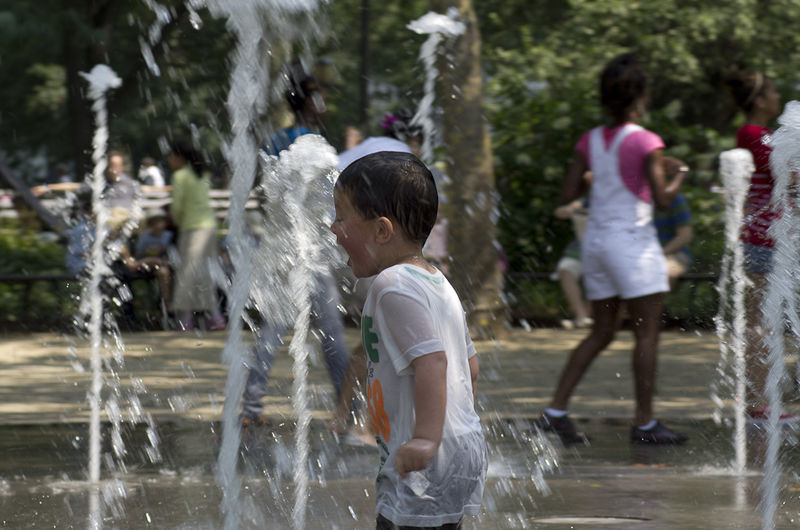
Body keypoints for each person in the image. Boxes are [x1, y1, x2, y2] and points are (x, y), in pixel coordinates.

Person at [536, 53, 689, 445]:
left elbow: (568, 193)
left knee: (601, 332)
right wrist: (679, 174)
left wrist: (595, 177)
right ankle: (645, 422)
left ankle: (555, 411)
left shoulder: (589, 140)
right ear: (640, 97)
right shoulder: (646, 140)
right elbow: (664, 201)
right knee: (647, 335)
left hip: (596, 245)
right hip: (633, 245)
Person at [331, 151, 486, 529]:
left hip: (425, 454)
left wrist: (426, 439)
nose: (333, 228)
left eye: (340, 217)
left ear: (382, 231)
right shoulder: (437, 281)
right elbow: (470, 367)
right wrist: (451, 432)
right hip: (459, 447)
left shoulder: (391, 284)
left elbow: (432, 361)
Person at [240, 66, 349, 426]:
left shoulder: (276, 140)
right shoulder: (313, 145)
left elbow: (265, 195)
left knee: (272, 330)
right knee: (332, 332)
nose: (325, 103)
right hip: (308, 254)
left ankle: (251, 407)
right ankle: (347, 409)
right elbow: (330, 202)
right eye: (320, 97)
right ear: (308, 101)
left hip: (281, 250)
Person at [723, 70, 797, 423]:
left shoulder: (764, 134)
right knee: (760, 323)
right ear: (759, 100)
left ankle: (763, 400)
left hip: (773, 240)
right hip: (761, 240)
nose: (778, 96)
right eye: (772, 91)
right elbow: (788, 174)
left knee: (768, 321)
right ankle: (757, 403)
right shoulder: (752, 133)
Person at [167, 140, 226, 332]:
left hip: (192, 229)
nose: (169, 160)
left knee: (187, 273)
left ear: (179, 157)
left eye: (171, 156)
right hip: (209, 228)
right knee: (205, 274)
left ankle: (185, 320)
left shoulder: (180, 176)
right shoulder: (200, 174)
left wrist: (176, 221)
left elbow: (177, 207)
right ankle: (215, 317)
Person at [553, 197, 593, 329]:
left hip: (609, 249)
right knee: (566, 269)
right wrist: (570, 209)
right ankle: (582, 317)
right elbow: (559, 212)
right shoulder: (587, 201)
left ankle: (589, 318)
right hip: (579, 249)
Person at [133, 208, 174, 313]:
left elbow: (172, 253)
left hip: (163, 264)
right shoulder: (144, 238)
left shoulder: (169, 236)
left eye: (159, 222)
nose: (157, 226)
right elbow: (138, 255)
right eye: (154, 223)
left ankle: (166, 301)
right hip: (146, 265)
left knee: (163, 272)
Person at [653, 192, 693, 290]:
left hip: (674, 254)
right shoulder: (633, 200)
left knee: (665, 273)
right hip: (643, 255)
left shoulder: (675, 199)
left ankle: (658, 300)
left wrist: (660, 254)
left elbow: (685, 236)